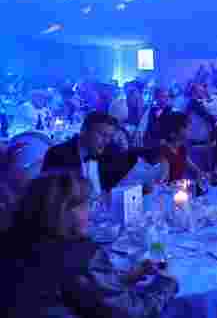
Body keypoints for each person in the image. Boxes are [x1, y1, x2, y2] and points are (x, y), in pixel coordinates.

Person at [0, 172, 178, 317]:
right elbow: (134, 312)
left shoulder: (14, 241)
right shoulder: (79, 255)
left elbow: (80, 291)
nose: (89, 214)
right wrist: (167, 283)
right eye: (84, 205)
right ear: (62, 211)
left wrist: (127, 277)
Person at [41, 112, 158, 195]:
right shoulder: (57, 154)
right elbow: (50, 197)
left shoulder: (109, 150)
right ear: (84, 131)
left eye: (110, 136)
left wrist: (143, 188)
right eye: (102, 135)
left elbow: (130, 159)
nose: (106, 141)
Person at [159, 112, 202, 182]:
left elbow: (194, 169)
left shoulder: (182, 149)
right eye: (186, 127)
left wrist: (200, 174)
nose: (190, 130)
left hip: (177, 187)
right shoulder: (163, 151)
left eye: (189, 128)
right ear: (173, 132)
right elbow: (163, 180)